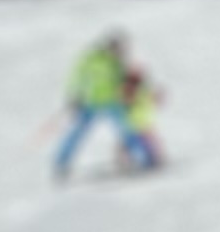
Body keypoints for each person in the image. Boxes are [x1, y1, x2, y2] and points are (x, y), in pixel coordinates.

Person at [53, 30, 157, 177]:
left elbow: (126, 81)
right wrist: (74, 95)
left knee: (128, 129)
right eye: (119, 48)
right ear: (110, 45)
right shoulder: (91, 58)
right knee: (76, 133)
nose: (121, 51)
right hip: (91, 102)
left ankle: (145, 159)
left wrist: (134, 94)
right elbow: (77, 75)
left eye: (122, 49)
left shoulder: (118, 61)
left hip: (112, 102)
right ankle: (61, 164)